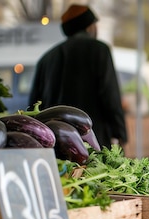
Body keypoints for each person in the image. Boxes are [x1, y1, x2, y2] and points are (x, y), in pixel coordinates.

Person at [29, 4, 127, 149]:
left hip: (56, 141)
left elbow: (34, 106)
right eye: (95, 24)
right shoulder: (100, 51)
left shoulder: (47, 59)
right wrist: (120, 133)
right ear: (89, 26)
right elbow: (110, 95)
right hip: (94, 141)